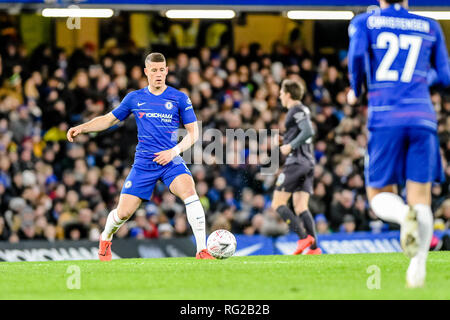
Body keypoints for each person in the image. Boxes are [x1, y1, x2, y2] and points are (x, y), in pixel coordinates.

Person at [67, 52, 215, 260]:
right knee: (123, 213)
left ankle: (202, 249)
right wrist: (81, 128)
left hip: (170, 160)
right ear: (146, 72)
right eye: (154, 70)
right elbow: (109, 120)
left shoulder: (179, 97)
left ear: (166, 71)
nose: (158, 74)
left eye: (162, 70)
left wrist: (173, 151)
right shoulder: (135, 98)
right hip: (144, 164)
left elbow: (194, 133)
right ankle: (106, 236)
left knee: (190, 191)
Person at [347, 0, 450, 287]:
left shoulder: (365, 22)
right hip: (422, 116)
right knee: (422, 197)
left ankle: (404, 215)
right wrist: (418, 79)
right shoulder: (430, 26)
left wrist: (356, 91)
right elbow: (445, 76)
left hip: (385, 116)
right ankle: (417, 268)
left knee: (378, 195)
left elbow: (356, 59)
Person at [271, 79, 321, 255]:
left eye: (281, 93)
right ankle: (314, 249)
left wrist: (290, 146)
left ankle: (302, 237)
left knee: (278, 203)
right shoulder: (304, 109)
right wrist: (285, 140)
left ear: (288, 94)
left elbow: (308, 131)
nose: (280, 96)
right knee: (301, 207)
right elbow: (302, 132)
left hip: (296, 162)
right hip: (308, 162)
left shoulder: (296, 109)